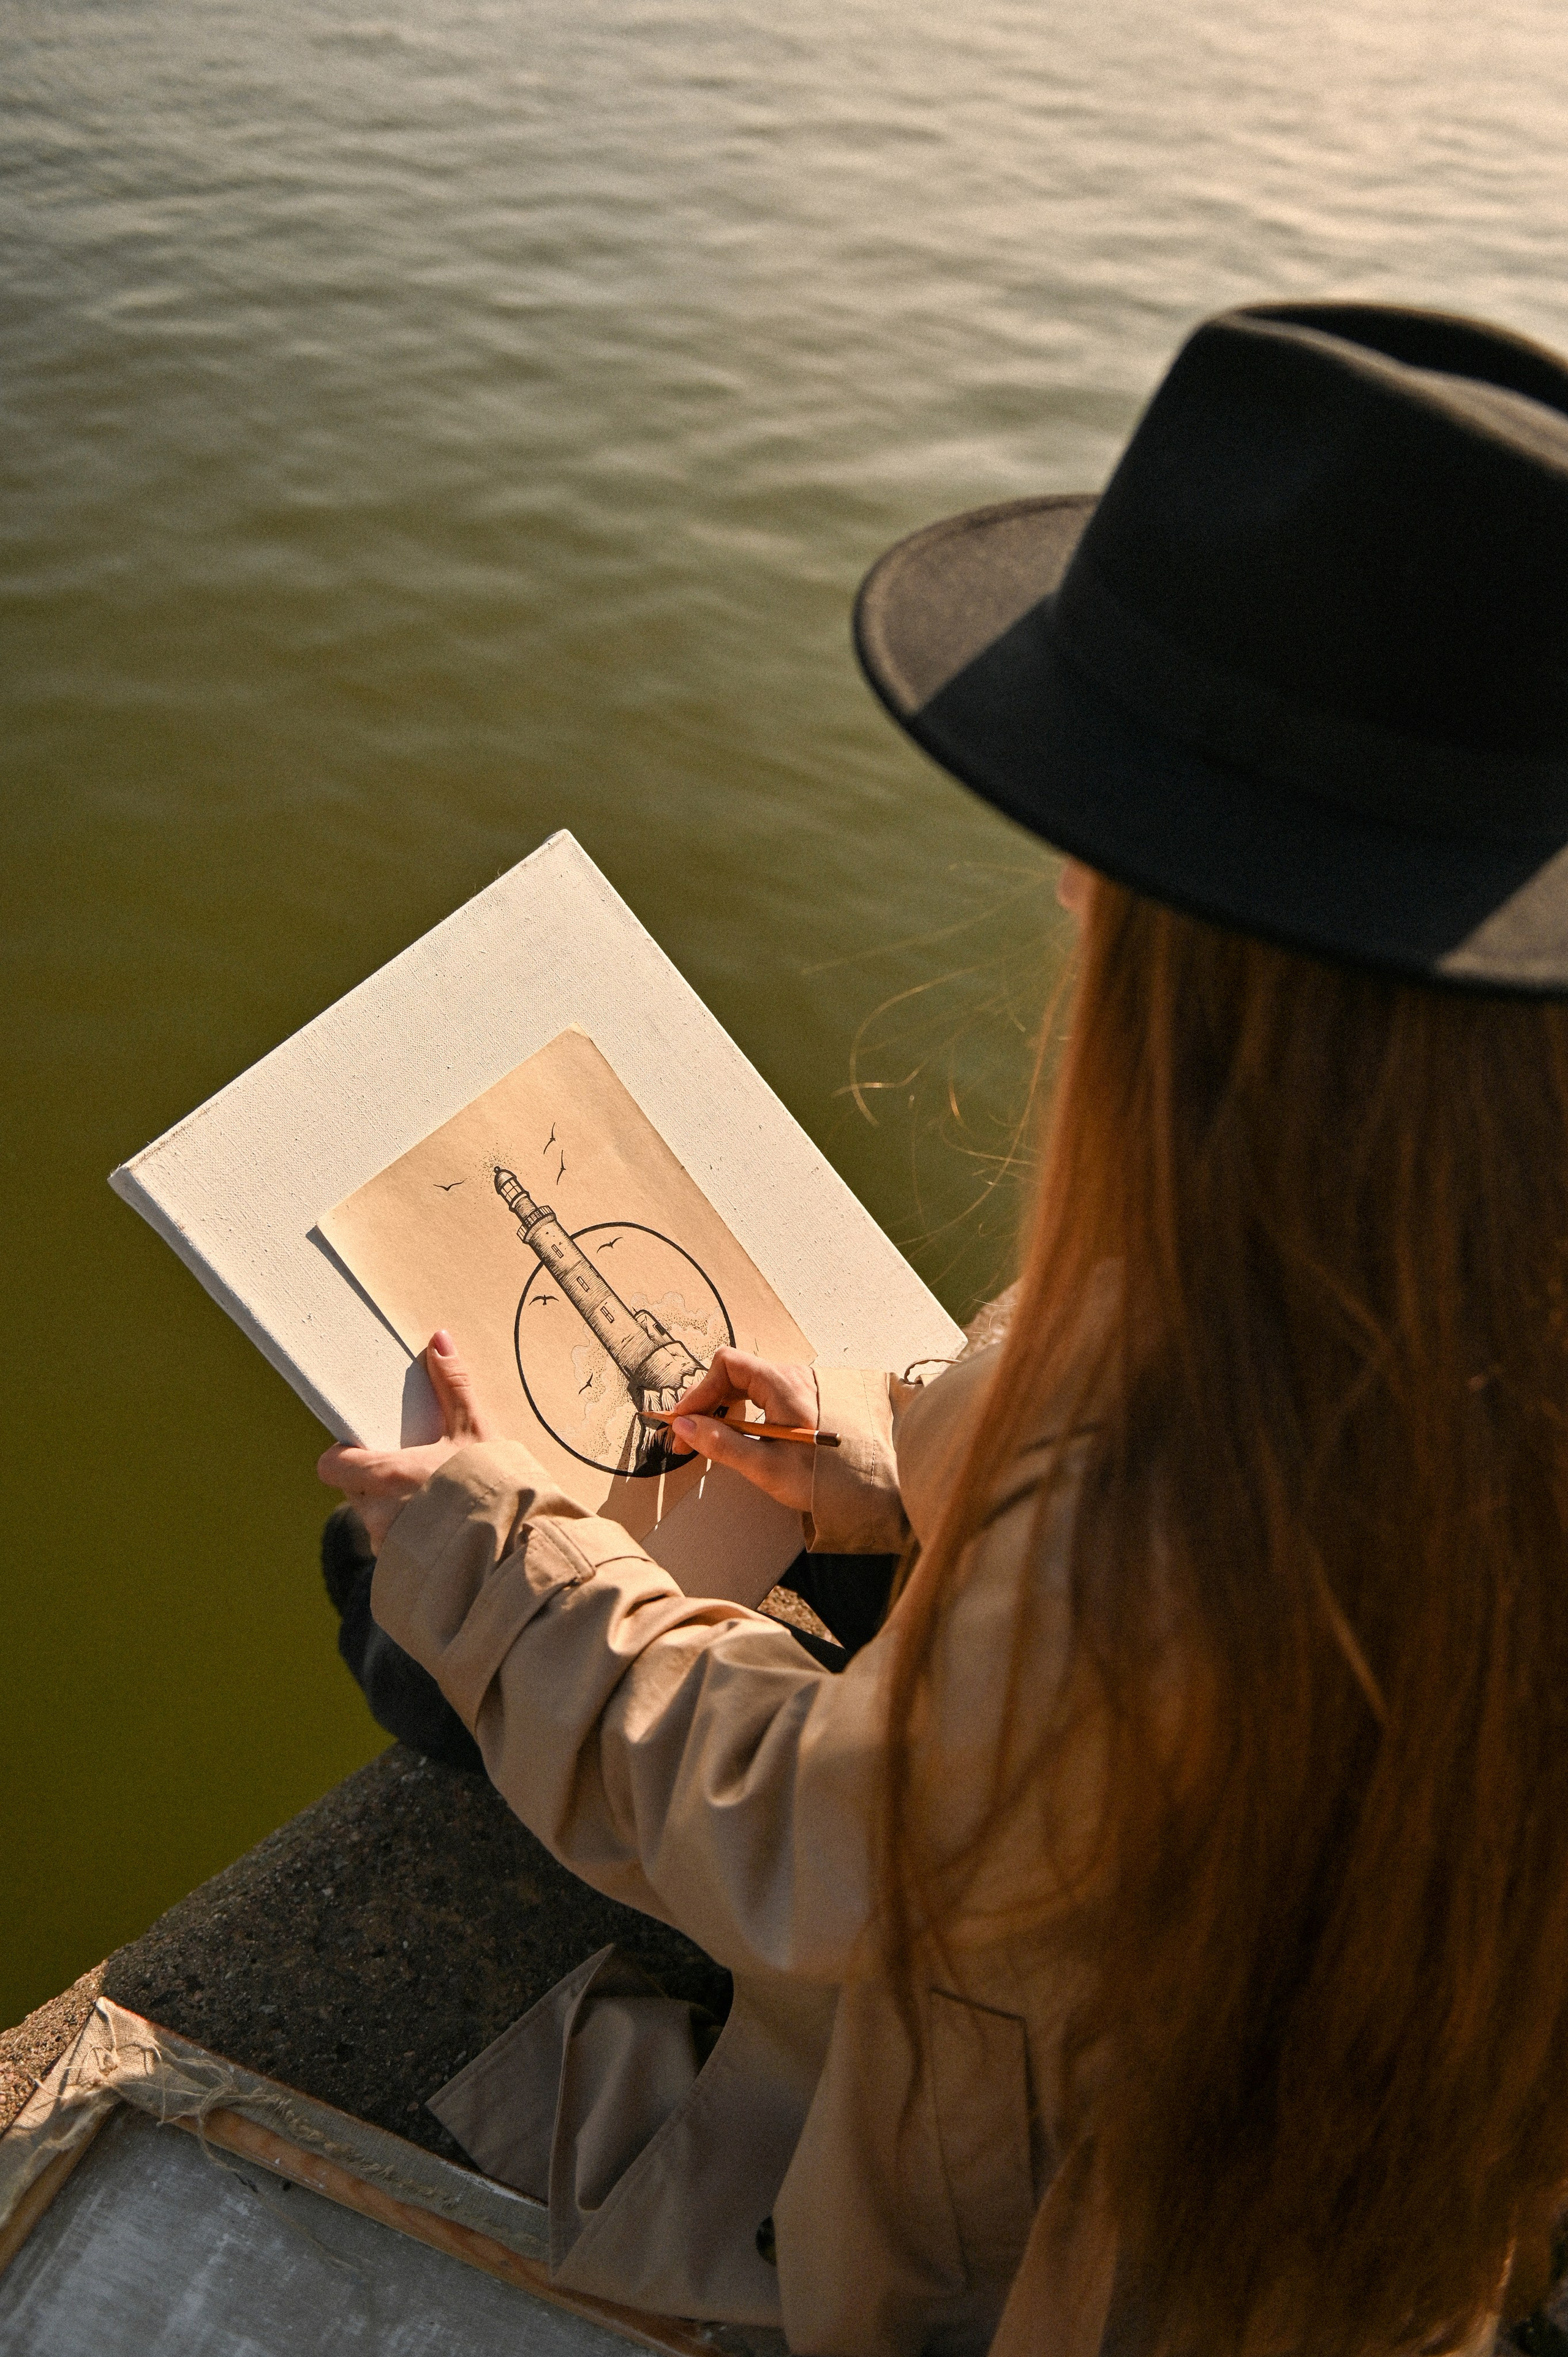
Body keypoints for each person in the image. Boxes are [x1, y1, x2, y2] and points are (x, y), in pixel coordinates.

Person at [319, 301, 1568, 2357]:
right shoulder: (1455, 1276)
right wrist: (888, 1480)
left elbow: (840, 1854)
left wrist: (494, 1565)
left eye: (1131, 832)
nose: (1076, 888)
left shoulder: (1185, 1491)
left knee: (404, 1585)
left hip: (1075, 2256)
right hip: (1379, 2180)